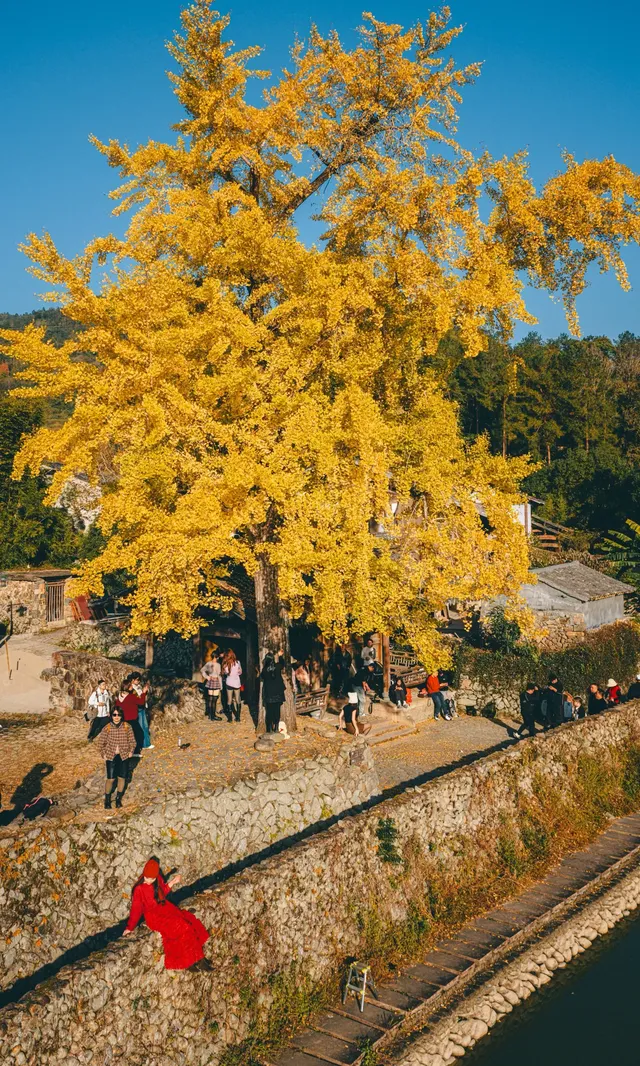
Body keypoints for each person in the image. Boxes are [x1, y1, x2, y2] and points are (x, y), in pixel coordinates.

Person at [123, 858, 211, 971]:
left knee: (189, 921)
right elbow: (136, 910)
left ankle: (199, 958)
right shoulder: (139, 889)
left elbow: (162, 892)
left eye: (151, 878)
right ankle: (189, 961)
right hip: (154, 917)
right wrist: (129, 927)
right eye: (146, 877)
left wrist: (173, 882)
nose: (148, 880)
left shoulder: (157, 880)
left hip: (165, 908)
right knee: (182, 926)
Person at [98, 706, 136, 808]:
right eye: (114, 715)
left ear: (121, 716)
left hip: (124, 756)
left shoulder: (127, 726)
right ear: (111, 716)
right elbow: (100, 743)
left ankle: (118, 799)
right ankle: (107, 800)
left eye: (119, 715)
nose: (116, 717)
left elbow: (132, 741)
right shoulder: (107, 728)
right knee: (110, 779)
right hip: (111, 756)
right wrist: (103, 754)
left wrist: (131, 751)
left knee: (122, 778)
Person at [116, 678, 148, 755]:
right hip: (132, 719)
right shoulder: (131, 697)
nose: (132, 687)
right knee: (138, 734)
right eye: (130, 686)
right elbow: (141, 702)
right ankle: (136, 751)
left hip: (123, 719)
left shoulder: (119, 697)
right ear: (128, 687)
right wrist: (143, 693)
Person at [261, 651, 286, 732]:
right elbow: (283, 664)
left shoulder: (264, 670)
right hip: (278, 692)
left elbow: (261, 677)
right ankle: (276, 727)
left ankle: (269, 728)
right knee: (277, 710)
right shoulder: (278, 666)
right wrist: (280, 656)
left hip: (269, 693)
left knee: (269, 711)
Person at [130, 672, 154, 751]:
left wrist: (145, 691)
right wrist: (143, 692)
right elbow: (137, 699)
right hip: (137, 709)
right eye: (137, 680)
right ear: (133, 680)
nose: (139, 681)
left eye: (139, 680)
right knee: (140, 727)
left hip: (143, 708)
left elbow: (143, 697)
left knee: (145, 726)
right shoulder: (131, 688)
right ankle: (142, 744)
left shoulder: (139, 686)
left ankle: (146, 743)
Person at [222, 650, 242, 722]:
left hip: (229, 683)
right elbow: (240, 672)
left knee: (229, 700)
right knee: (237, 699)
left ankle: (230, 719)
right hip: (236, 683)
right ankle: (238, 717)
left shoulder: (225, 664)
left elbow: (225, 673)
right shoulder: (238, 663)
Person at [201, 655, 222, 720]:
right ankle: (213, 716)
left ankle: (211, 716)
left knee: (211, 699)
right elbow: (219, 675)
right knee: (214, 699)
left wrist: (207, 677)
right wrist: (221, 685)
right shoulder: (218, 665)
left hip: (210, 681)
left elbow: (202, 670)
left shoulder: (208, 663)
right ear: (216, 657)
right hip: (216, 681)